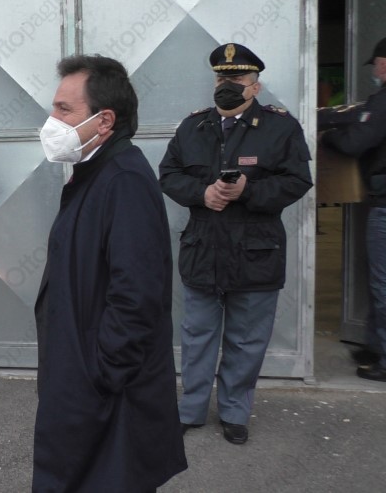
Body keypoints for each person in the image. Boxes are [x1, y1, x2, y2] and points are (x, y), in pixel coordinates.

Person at [33, 54, 187, 492]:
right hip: (83, 383)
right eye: (54, 107)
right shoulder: (93, 173)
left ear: (104, 121)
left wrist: (101, 374)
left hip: (107, 395)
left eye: (65, 109)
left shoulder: (123, 180)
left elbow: (136, 295)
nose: (52, 121)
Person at [159, 43, 313, 445]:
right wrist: (202, 194)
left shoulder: (281, 128)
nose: (227, 85)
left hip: (255, 251)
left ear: (255, 86)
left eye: (237, 78)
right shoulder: (193, 127)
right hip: (203, 249)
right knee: (197, 336)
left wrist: (249, 191)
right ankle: (191, 409)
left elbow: (298, 180)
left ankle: (234, 412)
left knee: (246, 339)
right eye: (221, 78)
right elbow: (168, 174)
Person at [318, 36, 386, 382]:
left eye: (376, 64)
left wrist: (328, 136)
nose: (375, 71)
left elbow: (357, 140)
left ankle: (384, 359)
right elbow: (361, 118)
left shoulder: (384, 100)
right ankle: (374, 346)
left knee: (382, 284)